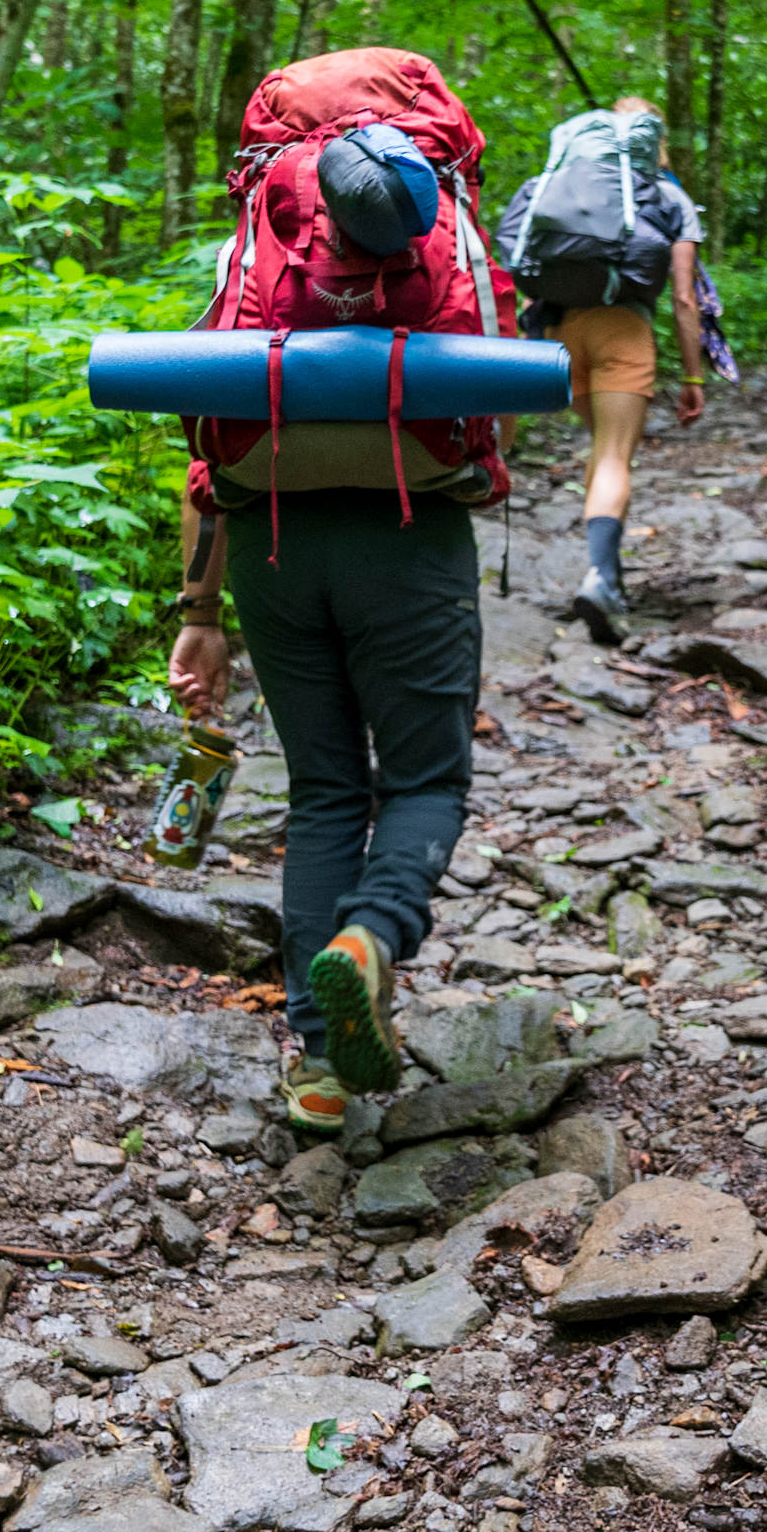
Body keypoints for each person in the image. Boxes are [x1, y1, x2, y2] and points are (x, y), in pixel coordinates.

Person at [173, 65, 500, 1138]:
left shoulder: (259, 227)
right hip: (408, 537)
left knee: (322, 790)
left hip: (272, 537)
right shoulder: (439, 218)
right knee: (424, 780)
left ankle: (318, 1066)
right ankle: (370, 937)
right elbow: (490, 400)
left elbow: (209, 438)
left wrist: (200, 611)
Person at [498, 96, 714, 643]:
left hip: (562, 335)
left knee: (602, 451)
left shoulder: (560, 185)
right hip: (623, 329)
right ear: (651, 140)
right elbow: (686, 300)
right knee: (616, 457)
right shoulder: (666, 196)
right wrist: (693, 377)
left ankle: (607, 572)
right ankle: (601, 578)